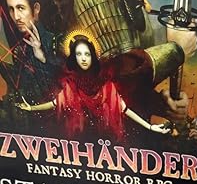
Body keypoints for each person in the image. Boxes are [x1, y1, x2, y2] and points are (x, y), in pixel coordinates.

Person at [16, 36, 171, 138]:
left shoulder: (104, 82)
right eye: (79, 54)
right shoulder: (72, 83)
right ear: (74, 57)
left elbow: (124, 109)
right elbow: (54, 103)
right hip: (80, 137)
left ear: (92, 56)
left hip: (106, 137)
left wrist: (150, 127)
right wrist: (31, 108)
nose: (83, 58)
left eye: (87, 54)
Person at [1, 0, 61, 104]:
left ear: (36, 9)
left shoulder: (54, 41)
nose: (16, 17)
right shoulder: (22, 45)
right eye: (11, 9)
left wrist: (42, 59)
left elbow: (63, 87)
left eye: (21, 8)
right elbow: (20, 83)